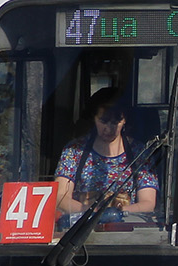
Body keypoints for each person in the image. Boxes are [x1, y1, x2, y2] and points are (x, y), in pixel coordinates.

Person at [53, 87, 158, 216]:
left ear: (124, 120)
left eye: (115, 122)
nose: (109, 129)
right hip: (81, 228)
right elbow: (60, 198)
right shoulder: (74, 151)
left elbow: (148, 203)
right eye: (103, 121)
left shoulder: (141, 153)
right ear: (94, 117)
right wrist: (91, 213)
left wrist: (115, 213)